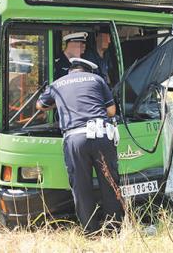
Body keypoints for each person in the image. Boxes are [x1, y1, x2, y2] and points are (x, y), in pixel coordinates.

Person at [36, 58, 122, 233]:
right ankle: (114, 229)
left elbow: (40, 105)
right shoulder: (97, 80)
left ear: (70, 71)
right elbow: (112, 111)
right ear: (88, 70)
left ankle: (90, 231)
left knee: (81, 187)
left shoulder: (57, 84)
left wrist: (58, 103)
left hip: (75, 139)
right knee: (110, 183)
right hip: (102, 135)